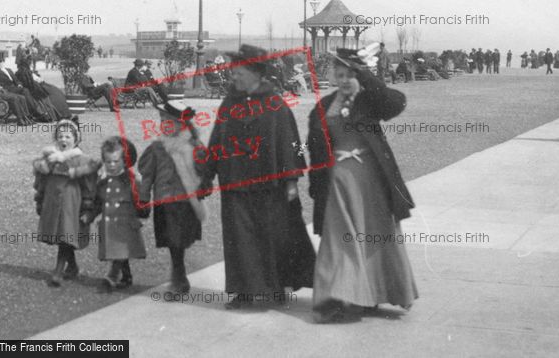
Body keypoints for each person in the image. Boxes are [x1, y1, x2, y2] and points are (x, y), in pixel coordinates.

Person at [201, 44, 315, 310]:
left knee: (270, 236)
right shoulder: (229, 102)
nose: (234, 77)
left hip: (268, 186)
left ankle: (276, 288)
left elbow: (288, 143)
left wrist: (290, 182)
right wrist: (206, 174)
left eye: (238, 72)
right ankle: (241, 290)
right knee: (238, 238)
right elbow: (217, 139)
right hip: (234, 183)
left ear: (255, 72)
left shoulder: (275, 104)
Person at [307, 48, 418, 323]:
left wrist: (367, 77)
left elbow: (395, 103)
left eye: (350, 75)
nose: (344, 80)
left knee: (373, 236)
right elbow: (315, 147)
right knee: (338, 239)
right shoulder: (323, 106)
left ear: (360, 75)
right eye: (340, 74)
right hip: (338, 183)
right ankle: (336, 298)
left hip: (371, 181)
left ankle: (369, 295)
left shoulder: (371, 101)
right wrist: (314, 181)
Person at [139, 101, 207, 296]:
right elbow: (148, 175)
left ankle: (178, 277)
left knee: (179, 239)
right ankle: (179, 275)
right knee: (171, 240)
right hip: (164, 201)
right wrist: (143, 197)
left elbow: (203, 171)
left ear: (182, 124)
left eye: (169, 120)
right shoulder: (157, 148)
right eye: (162, 120)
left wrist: (204, 187)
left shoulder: (194, 146)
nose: (164, 124)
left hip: (185, 202)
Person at [33, 119, 99, 287]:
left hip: (72, 201)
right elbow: (41, 180)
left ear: (75, 139)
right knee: (60, 232)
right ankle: (73, 266)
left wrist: (87, 204)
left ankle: (58, 270)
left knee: (66, 232)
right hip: (53, 200)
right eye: (60, 136)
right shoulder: (48, 160)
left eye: (68, 136)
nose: (63, 140)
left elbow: (88, 184)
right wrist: (40, 199)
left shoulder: (81, 160)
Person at [84, 136, 147, 291]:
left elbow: (142, 200)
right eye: (108, 162)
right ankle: (126, 276)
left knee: (120, 249)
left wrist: (143, 209)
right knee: (118, 251)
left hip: (125, 223)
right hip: (109, 224)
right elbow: (99, 202)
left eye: (115, 161)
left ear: (125, 161)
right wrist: (90, 216)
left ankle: (113, 275)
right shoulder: (104, 182)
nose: (111, 165)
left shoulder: (131, 181)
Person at [0, 55, 48, 121]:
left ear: (3, 62)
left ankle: (33, 112)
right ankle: (36, 111)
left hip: (16, 88)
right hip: (8, 89)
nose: (0, 64)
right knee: (25, 91)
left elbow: (16, 80)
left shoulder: (9, 70)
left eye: (1, 62)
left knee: (25, 91)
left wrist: (19, 84)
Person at [16, 54, 68, 121]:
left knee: (48, 96)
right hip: (34, 90)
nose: (31, 64)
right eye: (30, 62)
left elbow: (28, 82)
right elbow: (30, 83)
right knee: (47, 97)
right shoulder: (26, 72)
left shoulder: (21, 72)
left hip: (34, 88)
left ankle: (54, 115)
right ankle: (55, 115)